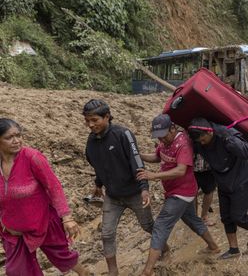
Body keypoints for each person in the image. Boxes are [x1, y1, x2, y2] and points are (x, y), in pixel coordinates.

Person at [0, 118, 89, 276]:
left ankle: (85, 274)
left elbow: (54, 187)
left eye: (18, 135)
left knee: (62, 257)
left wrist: (67, 218)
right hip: (13, 231)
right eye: (9, 137)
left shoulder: (32, 157)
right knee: (17, 271)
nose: (16, 140)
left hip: (44, 222)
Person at [136, 114, 219, 276]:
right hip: (176, 191)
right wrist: (138, 156)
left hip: (182, 192)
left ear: (173, 129)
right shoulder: (164, 142)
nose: (162, 140)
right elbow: (157, 156)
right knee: (192, 220)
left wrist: (153, 176)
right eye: (158, 137)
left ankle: (147, 271)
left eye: (164, 136)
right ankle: (214, 247)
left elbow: (181, 170)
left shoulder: (183, 143)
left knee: (160, 225)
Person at [82, 99, 154, 276]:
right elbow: (98, 166)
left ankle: (164, 249)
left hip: (135, 193)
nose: (90, 125)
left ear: (107, 117)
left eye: (94, 120)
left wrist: (144, 188)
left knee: (149, 226)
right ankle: (113, 272)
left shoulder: (123, 134)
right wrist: (98, 185)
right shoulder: (91, 142)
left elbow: (136, 162)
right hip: (113, 197)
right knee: (106, 233)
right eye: (87, 121)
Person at [188, 117, 248, 259]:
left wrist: (230, 139)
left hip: (241, 180)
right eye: (199, 142)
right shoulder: (198, 141)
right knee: (226, 217)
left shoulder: (225, 135)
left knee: (238, 217)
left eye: (203, 140)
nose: (201, 144)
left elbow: (246, 152)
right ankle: (234, 250)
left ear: (209, 133)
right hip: (222, 181)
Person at [194, 153, 216, 226]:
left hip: (209, 167)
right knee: (192, 192)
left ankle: (204, 216)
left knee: (209, 191)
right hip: (192, 167)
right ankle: (194, 217)